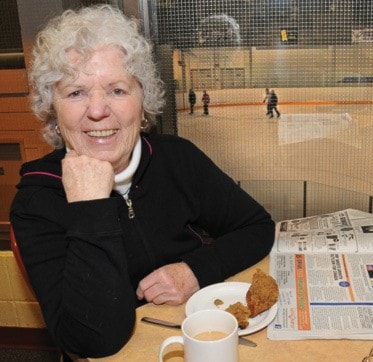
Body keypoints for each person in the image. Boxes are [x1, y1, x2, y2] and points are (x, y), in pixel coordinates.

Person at [9, 5, 275, 359]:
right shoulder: (37, 202)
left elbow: (257, 227)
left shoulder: (176, 158)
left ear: (143, 100)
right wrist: (90, 206)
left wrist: (196, 270)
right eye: (76, 93)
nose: (98, 110)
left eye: (118, 90)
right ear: (53, 110)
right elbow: (92, 341)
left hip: (190, 336)